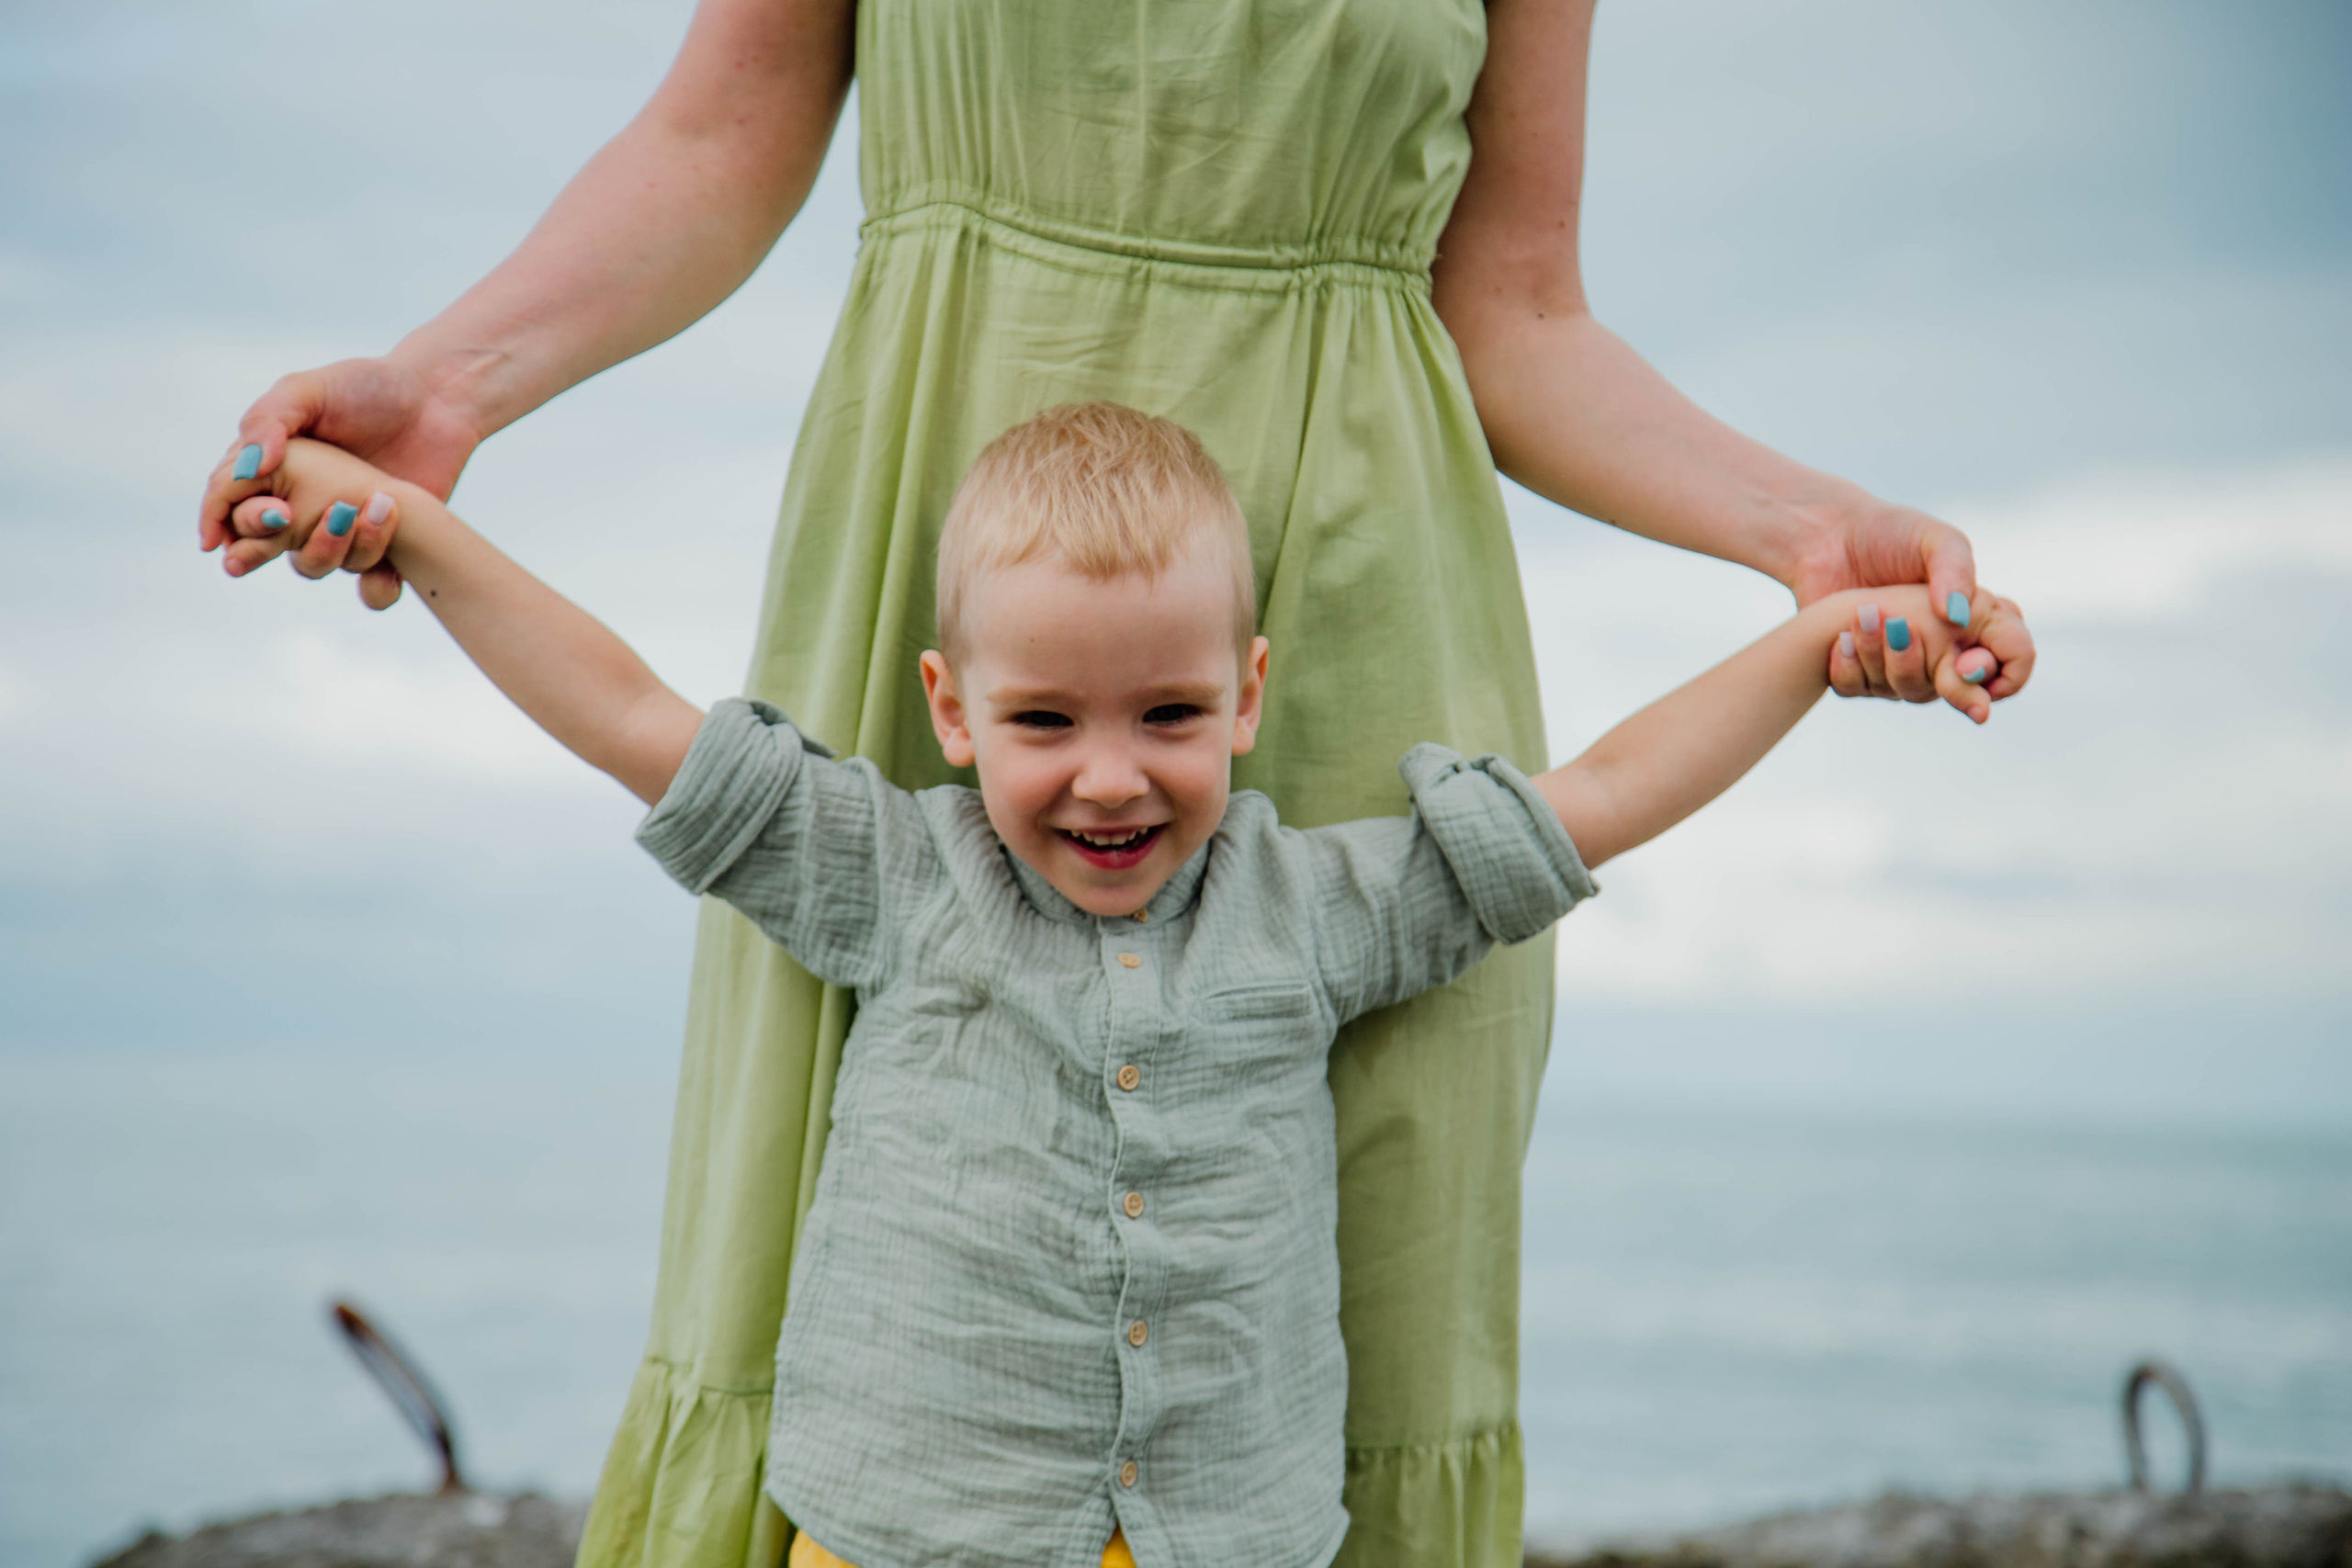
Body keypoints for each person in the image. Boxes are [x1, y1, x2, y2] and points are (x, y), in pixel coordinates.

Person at [198, 6, 2035, 1562]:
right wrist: (444, 390)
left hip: (1349, 591)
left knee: (1356, 1316)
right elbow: (720, 124)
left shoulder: (1339, 871)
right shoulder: (904, 818)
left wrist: (1804, 547)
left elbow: (1522, 308)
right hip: (952, 508)